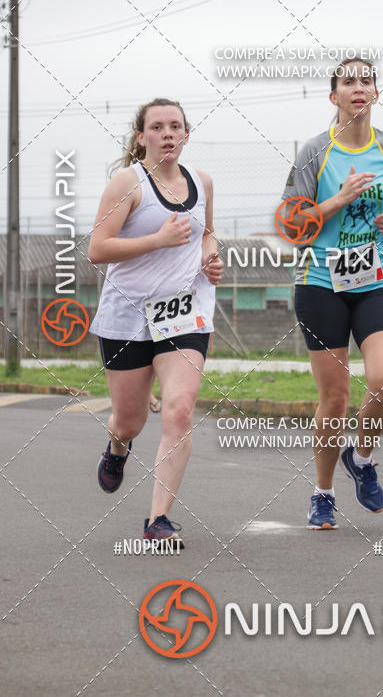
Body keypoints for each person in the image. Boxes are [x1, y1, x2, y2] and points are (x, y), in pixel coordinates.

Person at [281, 57, 383, 530]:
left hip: (377, 279)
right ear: (333, 96)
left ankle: (362, 458)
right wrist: (337, 199)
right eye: (348, 81)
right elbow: (292, 226)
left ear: (376, 94)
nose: (358, 87)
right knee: (335, 399)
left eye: (367, 80)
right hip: (321, 283)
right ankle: (322, 494)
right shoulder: (313, 153)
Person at [88, 98, 224, 547]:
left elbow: (207, 232)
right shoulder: (127, 183)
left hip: (183, 312)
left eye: (175, 126)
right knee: (129, 421)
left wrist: (210, 256)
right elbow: (98, 249)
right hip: (127, 315)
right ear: (141, 136)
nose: (167, 134)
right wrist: (157, 239)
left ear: (186, 134)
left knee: (180, 409)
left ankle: (157, 521)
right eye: (157, 127)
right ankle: (117, 446)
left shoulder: (201, 181)